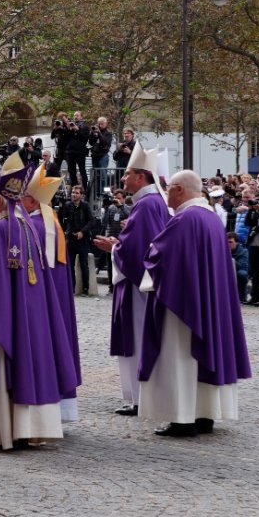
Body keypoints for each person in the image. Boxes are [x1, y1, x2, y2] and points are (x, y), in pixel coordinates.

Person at [138, 170, 252, 437]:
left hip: (184, 306)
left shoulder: (185, 219)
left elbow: (161, 257)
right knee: (200, 356)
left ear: (179, 189)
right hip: (209, 302)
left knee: (179, 356)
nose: (166, 194)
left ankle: (182, 417)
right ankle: (205, 415)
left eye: (168, 189)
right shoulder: (210, 218)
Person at [0, 153, 66, 451]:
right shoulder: (29, 229)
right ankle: (27, 430)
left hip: (5, 314)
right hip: (30, 315)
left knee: (4, 367)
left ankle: (4, 432)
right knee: (27, 366)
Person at [92, 143, 171, 416]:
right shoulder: (151, 203)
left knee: (136, 337)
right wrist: (120, 243)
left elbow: (138, 250)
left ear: (141, 177)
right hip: (141, 281)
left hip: (138, 286)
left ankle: (138, 398)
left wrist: (113, 248)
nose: (123, 179)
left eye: (127, 174)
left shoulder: (147, 205)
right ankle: (138, 397)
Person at [21, 166, 81, 424]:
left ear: (33, 200)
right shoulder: (50, 222)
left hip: (43, 300)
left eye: (22, 196)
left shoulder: (32, 226)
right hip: (58, 298)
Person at [58, 184, 96, 296]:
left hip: (82, 239)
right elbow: (61, 220)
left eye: (76, 193)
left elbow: (92, 221)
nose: (74, 195)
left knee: (84, 264)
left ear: (81, 195)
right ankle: (71, 288)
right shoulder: (68, 205)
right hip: (71, 238)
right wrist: (61, 207)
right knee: (69, 265)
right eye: (73, 193)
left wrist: (82, 232)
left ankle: (85, 289)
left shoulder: (85, 206)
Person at [229, 232, 249, 303]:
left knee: (242, 274)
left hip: (237, 272)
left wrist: (230, 258)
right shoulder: (221, 250)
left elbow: (243, 266)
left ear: (236, 243)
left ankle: (242, 296)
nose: (228, 244)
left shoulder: (243, 251)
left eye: (230, 242)